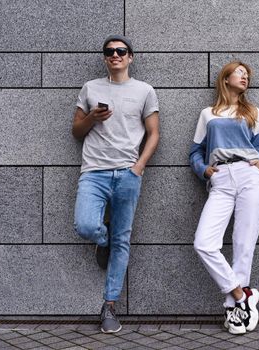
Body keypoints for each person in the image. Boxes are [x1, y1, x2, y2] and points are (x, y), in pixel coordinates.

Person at [72, 34, 159, 333]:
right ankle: (101, 236)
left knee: (124, 240)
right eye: (109, 51)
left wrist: (138, 167)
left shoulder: (144, 91)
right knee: (85, 225)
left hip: (127, 173)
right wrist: (93, 118)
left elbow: (154, 134)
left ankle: (109, 306)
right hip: (94, 171)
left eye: (121, 51)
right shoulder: (90, 88)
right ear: (105, 57)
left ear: (130, 57)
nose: (115, 55)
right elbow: (76, 131)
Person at [190, 61, 259, 335]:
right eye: (240, 72)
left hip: (249, 175)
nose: (245, 76)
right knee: (203, 243)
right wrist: (205, 171)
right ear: (225, 79)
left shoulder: (252, 112)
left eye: (247, 74)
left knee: (243, 244)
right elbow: (195, 152)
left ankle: (236, 311)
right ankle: (240, 294)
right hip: (221, 178)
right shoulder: (208, 114)